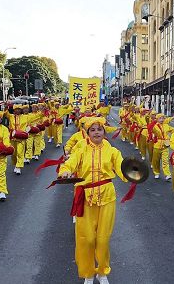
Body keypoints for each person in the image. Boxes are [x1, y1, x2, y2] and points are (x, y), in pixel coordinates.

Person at [58, 117, 128, 284]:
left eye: (100, 129)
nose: (97, 132)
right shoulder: (81, 149)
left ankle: (102, 272)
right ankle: (88, 273)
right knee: (87, 239)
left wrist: (133, 173)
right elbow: (70, 164)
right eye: (93, 130)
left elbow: (122, 168)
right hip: (85, 197)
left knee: (103, 239)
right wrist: (65, 171)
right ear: (88, 133)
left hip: (107, 197)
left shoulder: (112, 151)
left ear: (104, 132)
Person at [151, 113, 174, 181]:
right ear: (157, 119)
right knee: (156, 161)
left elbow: (173, 130)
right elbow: (152, 131)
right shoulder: (154, 126)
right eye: (160, 118)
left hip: (165, 145)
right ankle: (156, 172)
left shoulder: (166, 126)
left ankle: (167, 174)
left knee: (165, 161)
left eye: (163, 118)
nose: (162, 119)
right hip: (157, 145)